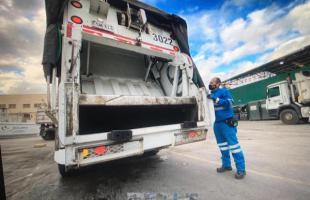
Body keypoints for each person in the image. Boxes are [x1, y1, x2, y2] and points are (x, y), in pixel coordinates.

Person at [207, 77, 246, 179]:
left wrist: (216, 99)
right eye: (210, 82)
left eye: (212, 83)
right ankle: (227, 165)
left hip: (226, 123)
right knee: (222, 146)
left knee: (234, 146)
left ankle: (241, 169)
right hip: (217, 124)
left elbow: (229, 103)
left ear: (218, 84)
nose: (210, 84)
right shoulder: (210, 94)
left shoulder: (224, 91)